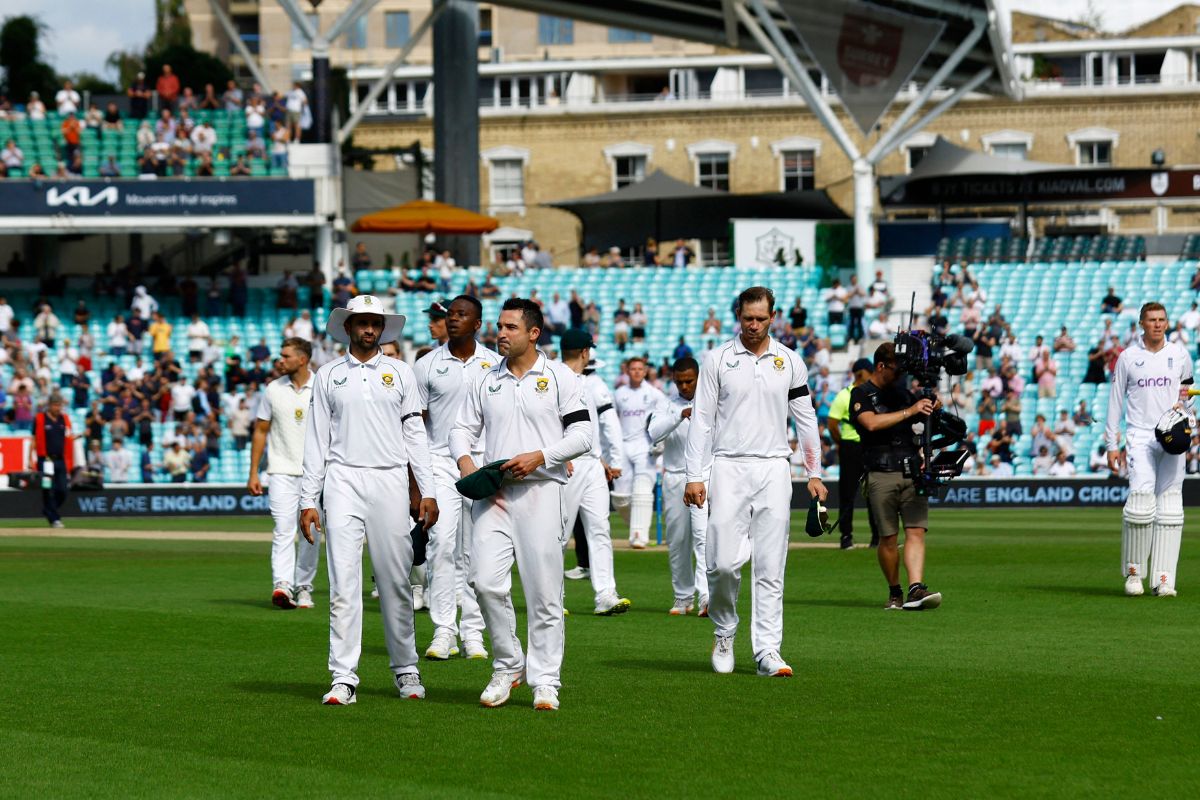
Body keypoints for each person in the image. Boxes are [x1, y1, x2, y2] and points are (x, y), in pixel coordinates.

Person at [448, 298, 592, 711]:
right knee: (485, 582)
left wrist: (540, 456)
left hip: (541, 492)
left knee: (544, 593)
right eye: (499, 326)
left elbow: (583, 437)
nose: (501, 333)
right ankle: (509, 665)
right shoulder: (485, 379)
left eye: (510, 327)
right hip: (493, 494)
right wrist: (468, 465)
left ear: (533, 333)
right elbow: (460, 429)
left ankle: (546, 679)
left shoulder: (562, 377)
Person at [300, 294, 439, 706]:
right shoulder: (327, 375)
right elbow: (316, 439)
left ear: (382, 328)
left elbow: (416, 434)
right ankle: (343, 677)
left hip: (390, 480)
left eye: (375, 323)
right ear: (348, 326)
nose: (369, 329)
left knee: (396, 581)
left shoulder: (400, 373)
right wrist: (309, 497)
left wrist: (427, 490)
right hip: (342, 480)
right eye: (361, 322)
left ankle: (406, 669)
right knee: (344, 584)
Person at [684, 286, 827, 677]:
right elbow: (701, 420)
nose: (754, 325)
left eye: (761, 319)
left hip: (775, 468)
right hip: (727, 466)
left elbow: (806, 418)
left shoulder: (790, 361)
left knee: (770, 564)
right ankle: (724, 630)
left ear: (773, 317)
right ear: (739, 316)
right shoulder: (717, 360)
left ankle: (767, 651)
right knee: (723, 564)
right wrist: (694, 474)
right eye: (748, 318)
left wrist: (813, 472)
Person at [411, 295, 499, 660]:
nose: (452, 319)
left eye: (462, 315)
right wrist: (416, 484)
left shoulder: (495, 364)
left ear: (477, 324)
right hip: (439, 463)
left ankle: (474, 633)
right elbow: (414, 425)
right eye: (450, 315)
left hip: (482, 464)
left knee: (476, 552)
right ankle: (444, 630)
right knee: (442, 545)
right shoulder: (426, 364)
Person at [1105, 302, 1192, 597]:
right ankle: (1134, 575)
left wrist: (1184, 409)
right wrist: (1111, 443)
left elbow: (1188, 392)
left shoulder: (1180, 354)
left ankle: (1164, 579)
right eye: (1152, 320)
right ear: (1142, 323)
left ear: (1167, 323)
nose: (1157, 324)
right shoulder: (1128, 357)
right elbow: (1115, 402)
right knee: (1141, 502)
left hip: (1171, 434)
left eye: (1162, 320)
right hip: (1140, 435)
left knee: (1170, 506)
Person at [849, 342, 943, 611]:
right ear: (881, 366)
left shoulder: (905, 394)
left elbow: (925, 421)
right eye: (897, 370)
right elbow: (870, 423)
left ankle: (915, 588)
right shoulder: (862, 393)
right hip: (881, 472)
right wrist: (911, 411)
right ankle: (895, 591)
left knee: (916, 531)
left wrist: (933, 406)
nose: (901, 376)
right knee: (888, 538)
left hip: (912, 470)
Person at [559, 329, 630, 616]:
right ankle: (553, 597)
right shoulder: (554, 377)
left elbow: (594, 429)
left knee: (600, 528)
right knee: (559, 533)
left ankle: (605, 594)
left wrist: (602, 459)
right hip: (567, 463)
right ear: (586, 352)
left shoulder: (588, 381)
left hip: (590, 464)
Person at [249, 338, 321, 611]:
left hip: (314, 473)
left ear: (302, 359)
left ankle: (303, 586)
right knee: (283, 530)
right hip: (280, 470)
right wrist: (253, 472)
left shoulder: (321, 386)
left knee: (310, 532)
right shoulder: (272, 390)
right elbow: (260, 431)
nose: (280, 360)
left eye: (286, 355)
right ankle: (282, 584)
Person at [648, 355, 710, 616]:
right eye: (680, 382)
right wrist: (680, 415)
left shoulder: (710, 400)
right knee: (677, 540)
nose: (685, 387)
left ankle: (706, 596)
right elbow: (653, 432)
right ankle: (683, 598)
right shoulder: (666, 404)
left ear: (698, 378)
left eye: (690, 381)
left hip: (703, 476)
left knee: (702, 537)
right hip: (674, 476)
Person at [613, 356, 666, 548]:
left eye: (640, 369)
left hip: (644, 444)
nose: (636, 372)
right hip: (623, 444)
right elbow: (611, 422)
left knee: (642, 489)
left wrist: (660, 444)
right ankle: (634, 526)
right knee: (620, 497)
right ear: (627, 371)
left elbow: (664, 420)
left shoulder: (655, 394)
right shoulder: (618, 393)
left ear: (645, 371)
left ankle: (639, 536)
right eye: (633, 369)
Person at [827, 358, 880, 549]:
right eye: (869, 371)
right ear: (861, 373)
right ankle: (846, 537)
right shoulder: (844, 395)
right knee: (848, 493)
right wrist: (842, 443)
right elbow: (832, 424)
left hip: (869, 446)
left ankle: (878, 537)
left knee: (875, 492)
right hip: (852, 446)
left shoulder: (872, 392)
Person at [35, 395, 74, 528]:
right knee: (47, 490)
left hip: (60, 460)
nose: (58, 408)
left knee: (63, 490)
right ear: (50, 405)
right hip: (45, 460)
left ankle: (49, 510)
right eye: (55, 405)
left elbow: (68, 438)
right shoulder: (41, 418)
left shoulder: (64, 419)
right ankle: (54, 518)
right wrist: (30, 458)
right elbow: (33, 439)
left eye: (60, 405)